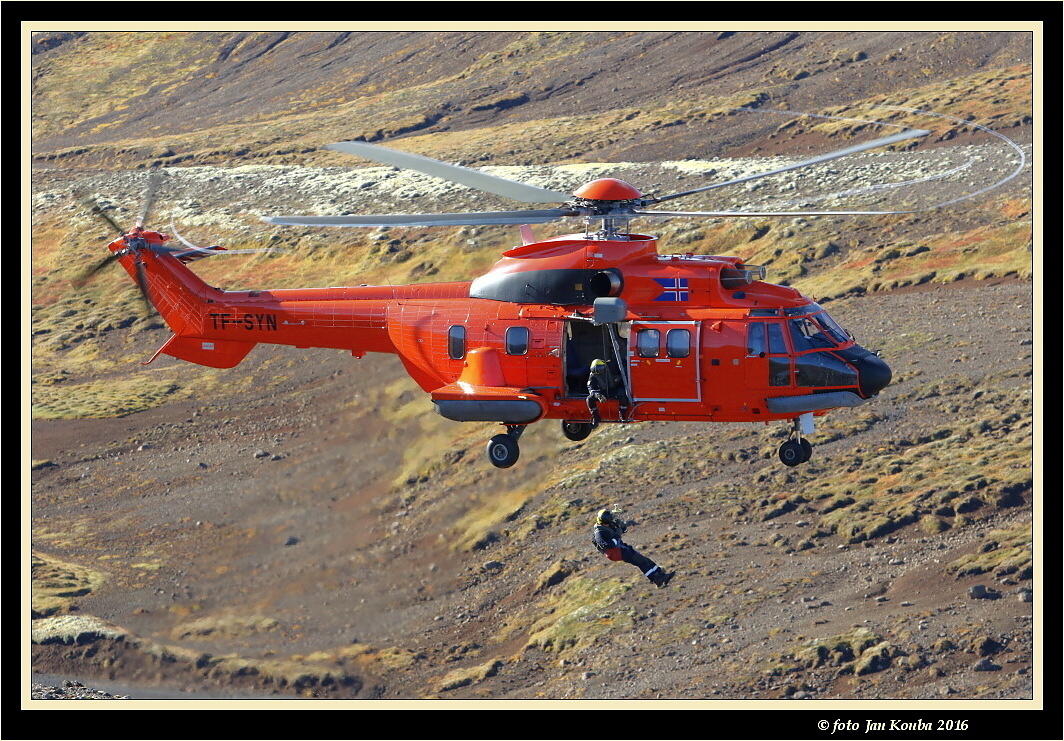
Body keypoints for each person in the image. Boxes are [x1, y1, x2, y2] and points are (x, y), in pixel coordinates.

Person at [592, 509, 673, 588]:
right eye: (610, 518)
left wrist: (620, 524)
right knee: (640, 561)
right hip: (615, 552)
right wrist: (617, 535)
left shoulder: (608, 525)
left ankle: (661, 575)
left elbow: (624, 530)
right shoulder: (599, 533)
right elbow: (610, 545)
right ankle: (656, 579)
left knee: (644, 559)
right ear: (606, 520)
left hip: (621, 548)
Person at [586, 359, 610, 427]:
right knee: (589, 399)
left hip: (613, 390)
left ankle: (623, 415)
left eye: (599, 369)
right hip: (601, 392)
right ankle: (596, 417)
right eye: (594, 369)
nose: (597, 371)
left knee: (622, 394)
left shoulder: (611, 370)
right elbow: (590, 388)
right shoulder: (592, 375)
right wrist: (597, 395)